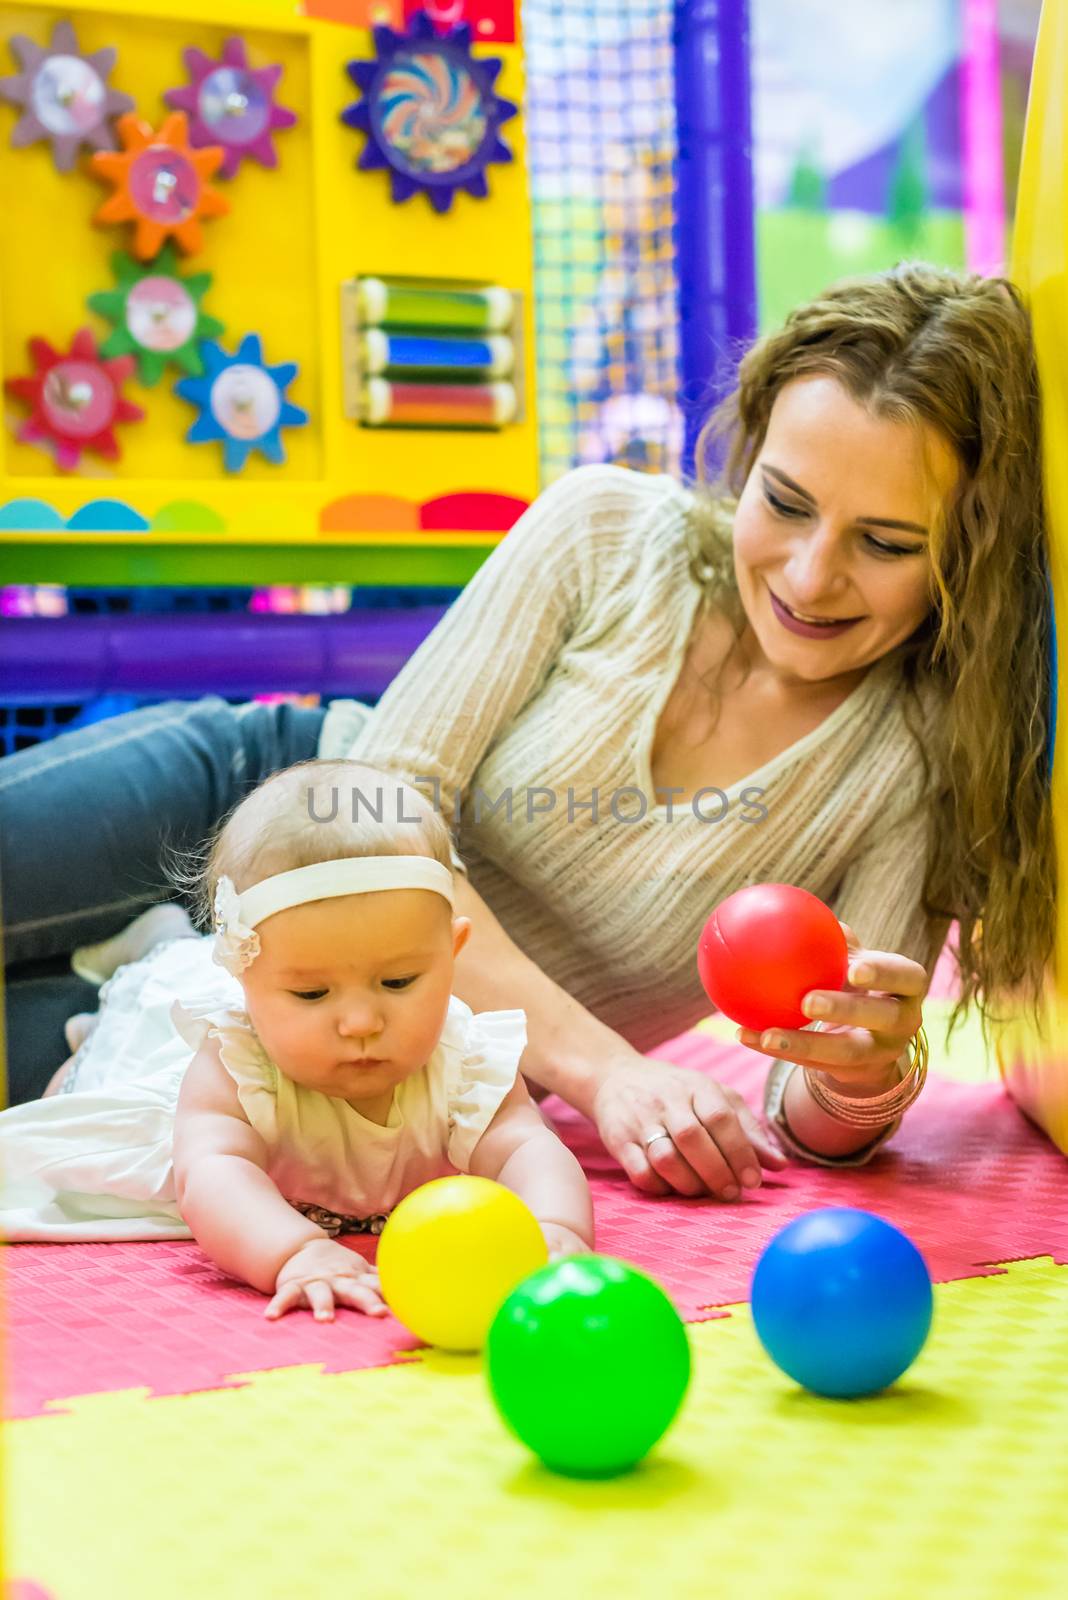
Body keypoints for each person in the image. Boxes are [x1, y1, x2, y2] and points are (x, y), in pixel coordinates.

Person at [2, 263, 1054, 1198]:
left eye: (885, 542)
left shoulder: (916, 765)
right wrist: (605, 1072)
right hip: (256, 794)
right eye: (783, 502)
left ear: (968, 554)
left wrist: (862, 1076)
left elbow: (806, 1108)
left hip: (341, 1047)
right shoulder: (607, 529)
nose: (811, 574)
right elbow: (373, 816)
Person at [0, 762, 595, 1320]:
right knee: (80, 1089)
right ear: (241, 977)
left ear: (453, 953)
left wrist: (555, 1224)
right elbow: (211, 1173)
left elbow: (523, 1145)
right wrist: (293, 1250)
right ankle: (114, 998)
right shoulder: (237, 1064)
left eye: (398, 981)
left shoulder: (465, 1058)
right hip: (156, 1053)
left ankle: (159, 945)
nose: (360, 1021)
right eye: (313, 994)